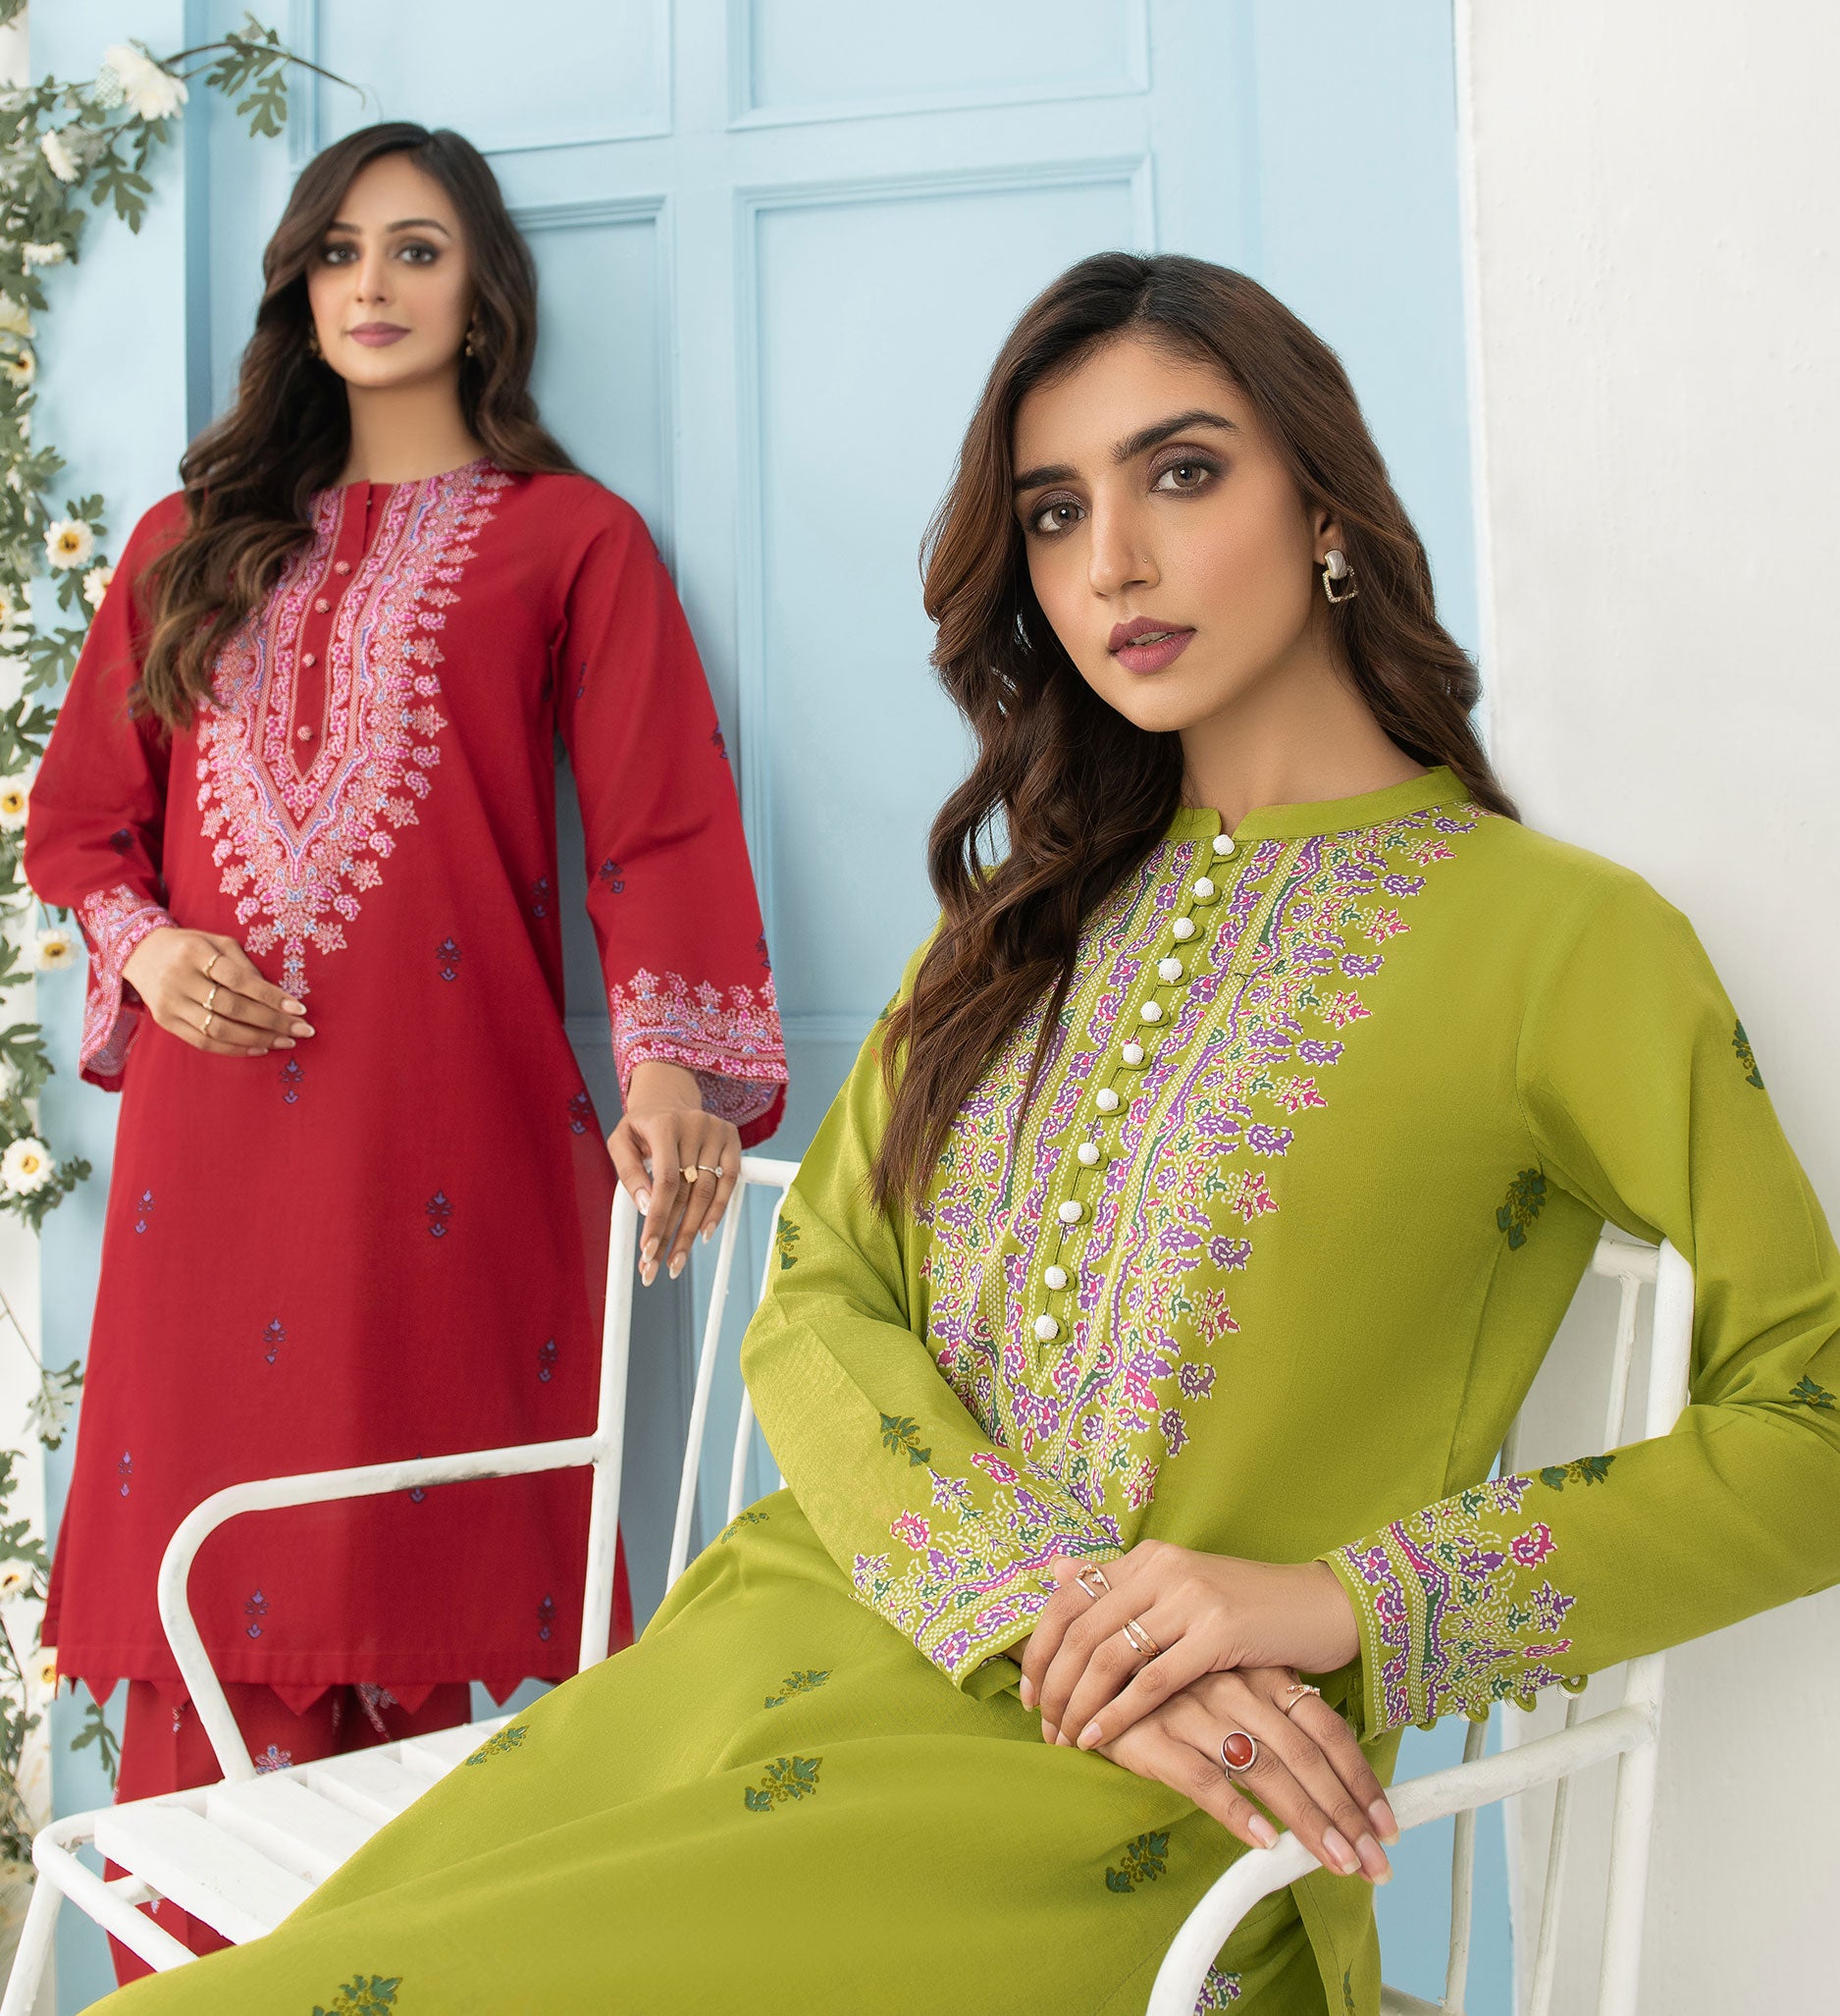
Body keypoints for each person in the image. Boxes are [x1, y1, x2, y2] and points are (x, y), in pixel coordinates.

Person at [101, 254, 1840, 2014]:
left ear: (1326, 507)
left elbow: (1815, 1421)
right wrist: (1025, 1591)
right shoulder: (1023, 928)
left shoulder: (1559, 943)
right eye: (1056, 511)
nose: (1112, 564)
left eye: (1182, 474)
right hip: (770, 1652)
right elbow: (818, 1296)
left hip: (1122, 1807)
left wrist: (1337, 1604)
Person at [26, 122, 785, 1976]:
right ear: (300, 288)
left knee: (444, 1581)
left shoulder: (569, 542)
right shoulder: (187, 548)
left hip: (453, 1146)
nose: (372, 284)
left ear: (483, 294)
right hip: (213, 1170)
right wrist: (152, 948)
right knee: (208, 1603)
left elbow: (659, 825)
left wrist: (670, 1074)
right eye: (340, 251)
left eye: (419, 249)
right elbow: (81, 828)